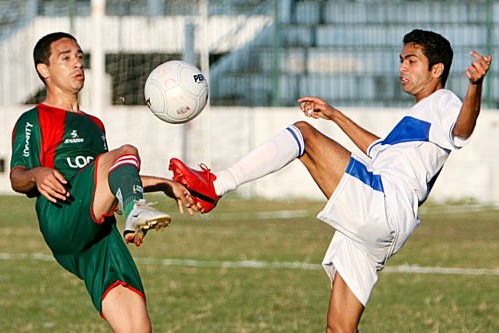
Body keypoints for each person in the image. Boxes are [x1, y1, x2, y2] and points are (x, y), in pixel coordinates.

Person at [168, 29, 492, 332]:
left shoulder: (445, 102)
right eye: (401, 60)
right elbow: (378, 150)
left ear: (436, 70)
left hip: (383, 203)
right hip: (383, 222)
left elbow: (461, 131)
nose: (402, 68)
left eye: (411, 61)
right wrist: (334, 115)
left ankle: (215, 186)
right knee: (339, 328)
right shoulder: (420, 117)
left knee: (303, 135)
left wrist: (474, 87)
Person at [10, 32, 193, 332]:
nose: (77, 63)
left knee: (137, 327)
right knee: (127, 151)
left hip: (98, 235)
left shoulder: (95, 125)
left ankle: (135, 208)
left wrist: (163, 183)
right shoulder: (34, 119)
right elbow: (17, 177)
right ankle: (136, 210)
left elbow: (111, 176)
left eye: (80, 57)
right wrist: (36, 173)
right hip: (63, 215)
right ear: (44, 70)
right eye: (65, 58)